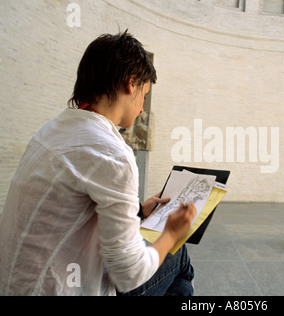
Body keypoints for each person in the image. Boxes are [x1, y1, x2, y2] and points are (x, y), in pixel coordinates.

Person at [0, 31, 197, 296]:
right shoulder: (113, 153)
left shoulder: (50, 131)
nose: (141, 108)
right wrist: (172, 233)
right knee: (180, 257)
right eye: (144, 95)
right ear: (131, 83)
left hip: (14, 283)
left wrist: (138, 210)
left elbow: (71, 207)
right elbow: (129, 274)